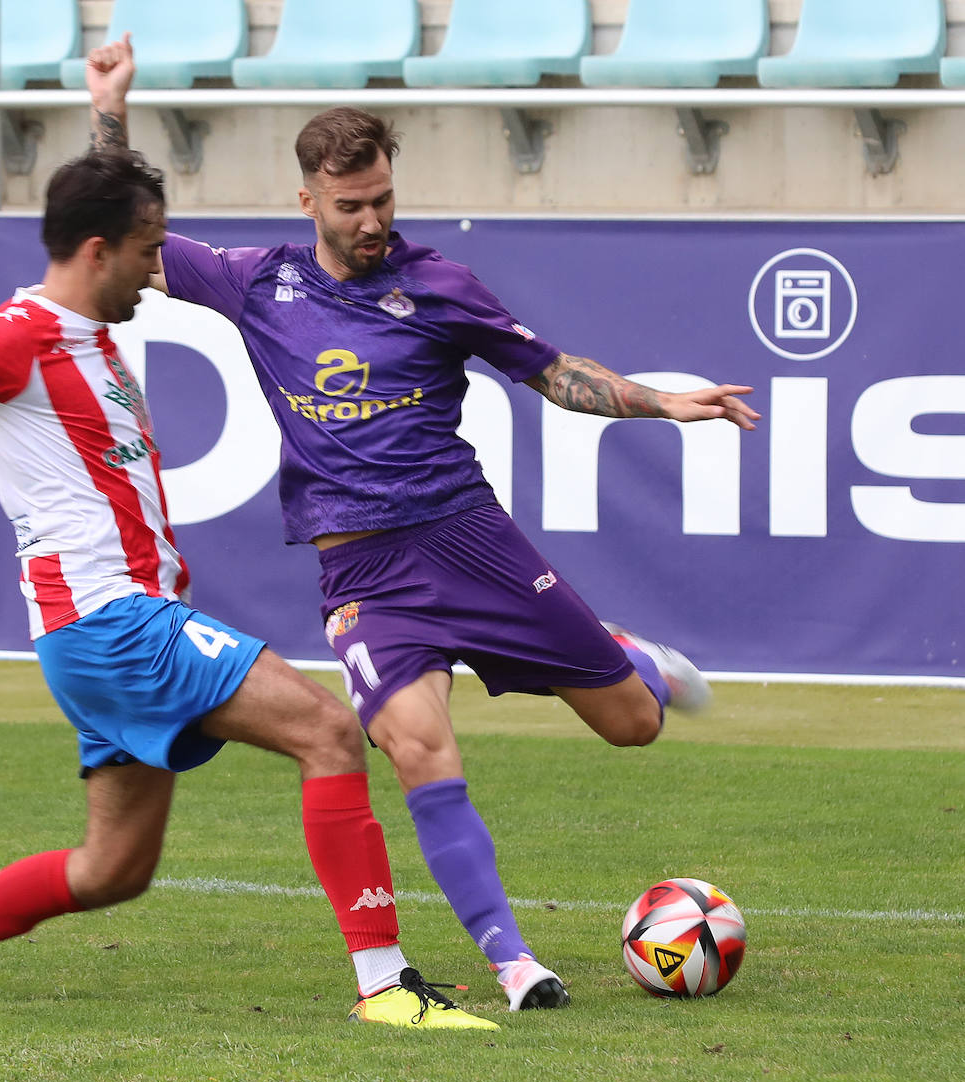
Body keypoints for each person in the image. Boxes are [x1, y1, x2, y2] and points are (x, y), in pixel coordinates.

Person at [87, 37, 761, 1012]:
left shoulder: (440, 287)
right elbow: (130, 238)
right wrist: (108, 110)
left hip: (471, 545)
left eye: (383, 200)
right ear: (308, 201)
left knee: (633, 727)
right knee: (417, 750)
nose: (371, 221)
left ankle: (633, 660)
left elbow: (555, 376)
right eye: (351, 204)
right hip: (365, 576)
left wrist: (663, 402)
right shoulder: (255, 282)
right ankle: (514, 963)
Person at [0, 148, 498, 1031]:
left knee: (111, 870)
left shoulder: (87, 338)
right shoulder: (17, 335)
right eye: (145, 248)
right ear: (97, 251)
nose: (155, 268)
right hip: (112, 621)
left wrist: (110, 116)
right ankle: (386, 986)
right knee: (327, 731)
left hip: (99, 632)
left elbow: (11, 397)